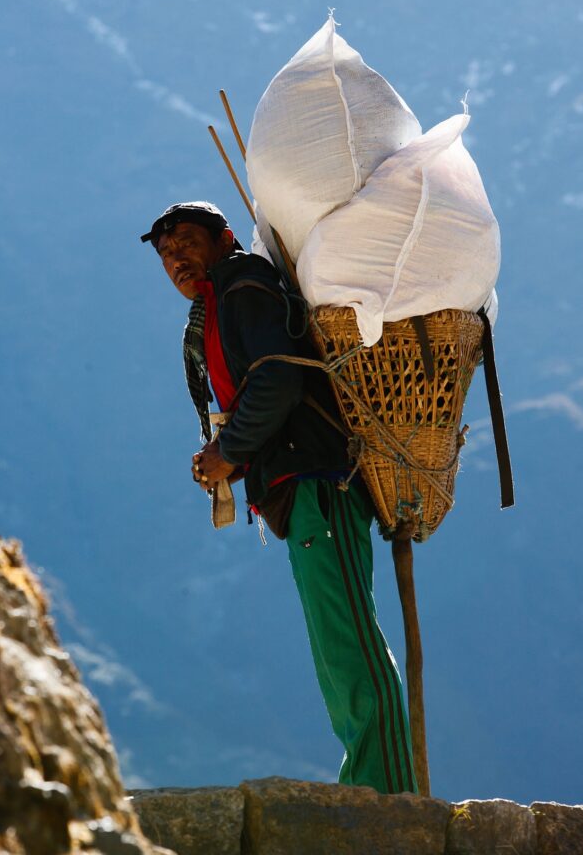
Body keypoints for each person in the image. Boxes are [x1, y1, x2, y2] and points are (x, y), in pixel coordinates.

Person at [141, 200, 416, 793]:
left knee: (350, 645)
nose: (176, 259)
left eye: (187, 241)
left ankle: (390, 797)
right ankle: (374, 789)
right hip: (300, 490)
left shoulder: (242, 286)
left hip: (320, 484)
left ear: (225, 239)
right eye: (165, 254)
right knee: (336, 650)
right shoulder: (223, 301)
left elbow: (278, 378)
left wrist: (231, 450)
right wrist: (240, 457)